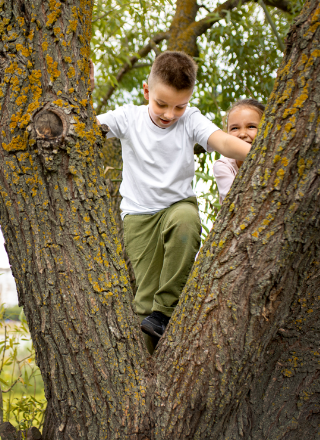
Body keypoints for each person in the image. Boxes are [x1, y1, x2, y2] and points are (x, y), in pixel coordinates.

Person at [96, 51, 251, 352]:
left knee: (186, 222)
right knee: (145, 295)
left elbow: (221, 141)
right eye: (161, 104)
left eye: (179, 105)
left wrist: (263, 150)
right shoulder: (128, 118)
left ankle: (165, 312)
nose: (169, 114)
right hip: (139, 216)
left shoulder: (190, 120)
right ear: (146, 91)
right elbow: (87, 128)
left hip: (177, 207)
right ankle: (148, 356)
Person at [213, 99, 265, 204]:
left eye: (251, 126)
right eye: (234, 128)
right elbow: (233, 201)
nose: (242, 134)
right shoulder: (224, 166)